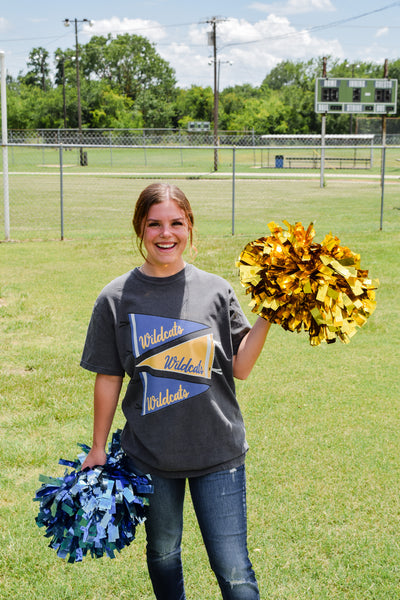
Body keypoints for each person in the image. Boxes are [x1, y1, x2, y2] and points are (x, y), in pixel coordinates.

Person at [80, 182, 271, 600]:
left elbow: (240, 367)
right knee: (163, 553)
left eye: (176, 223)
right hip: (150, 454)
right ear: (140, 229)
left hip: (217, 451)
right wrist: (97, 447)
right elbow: (109, 376)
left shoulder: (216, 290)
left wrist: (268, 316)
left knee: (233, 568)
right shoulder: (115, 298)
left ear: (190, 228)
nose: (166, 234)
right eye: (155, 224)